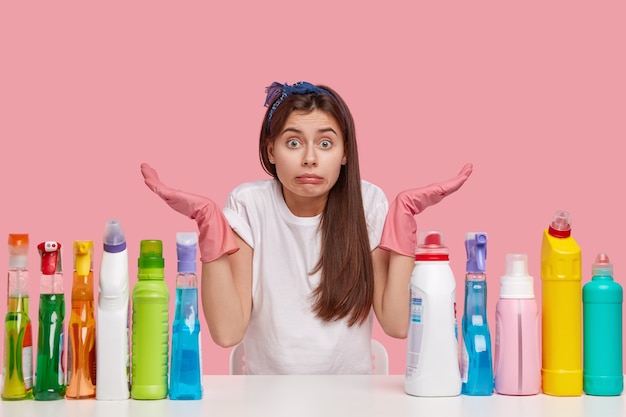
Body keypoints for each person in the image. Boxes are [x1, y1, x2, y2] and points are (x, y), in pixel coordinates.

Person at [141, 81, 472, 374]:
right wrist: (209, 224)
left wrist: (403, 220)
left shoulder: (368, 202)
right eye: (294, 143)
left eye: (325, 144)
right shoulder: (249, 204)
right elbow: (227, 333)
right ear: (271, 150)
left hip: (352, 400)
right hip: (266, 400)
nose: (310, 158)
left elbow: (399, 324)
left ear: (345, 154)